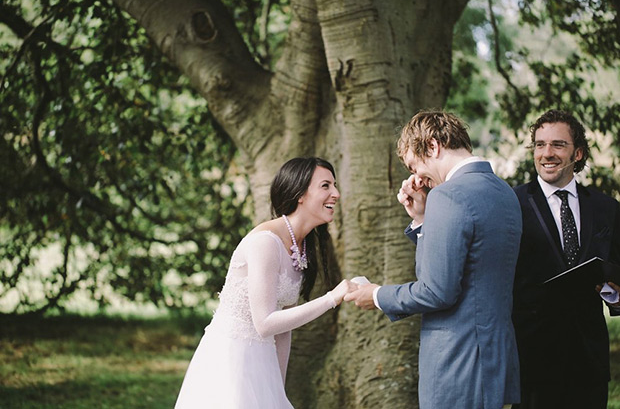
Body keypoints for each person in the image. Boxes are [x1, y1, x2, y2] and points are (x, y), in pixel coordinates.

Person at [344, 110, 522, 409]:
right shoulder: (505, 192)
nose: (417, 178)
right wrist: (423, 219)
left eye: (415, 165)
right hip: (497, 359)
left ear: (433, 146)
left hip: (457, 364)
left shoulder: (449, 195)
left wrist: (376, 295)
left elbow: (436, 291)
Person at [174, 157, 356, 409]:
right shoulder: (266, 243)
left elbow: (283, 327)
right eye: (325, 186)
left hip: (263, 362)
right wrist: (331, 299)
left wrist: (277, 389)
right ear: (300, 194)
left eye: (334, 185)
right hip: (231, 362)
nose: (336, 193)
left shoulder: (301, 246)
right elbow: (265, 323)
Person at [511, 109, 620, 409]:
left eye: (558, 144)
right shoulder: (511, 203)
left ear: (578, 152)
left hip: (589, 362)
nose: (547, 153)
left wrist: (614, 294)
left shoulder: (605, 208)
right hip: (533, 362)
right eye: (540, 144)